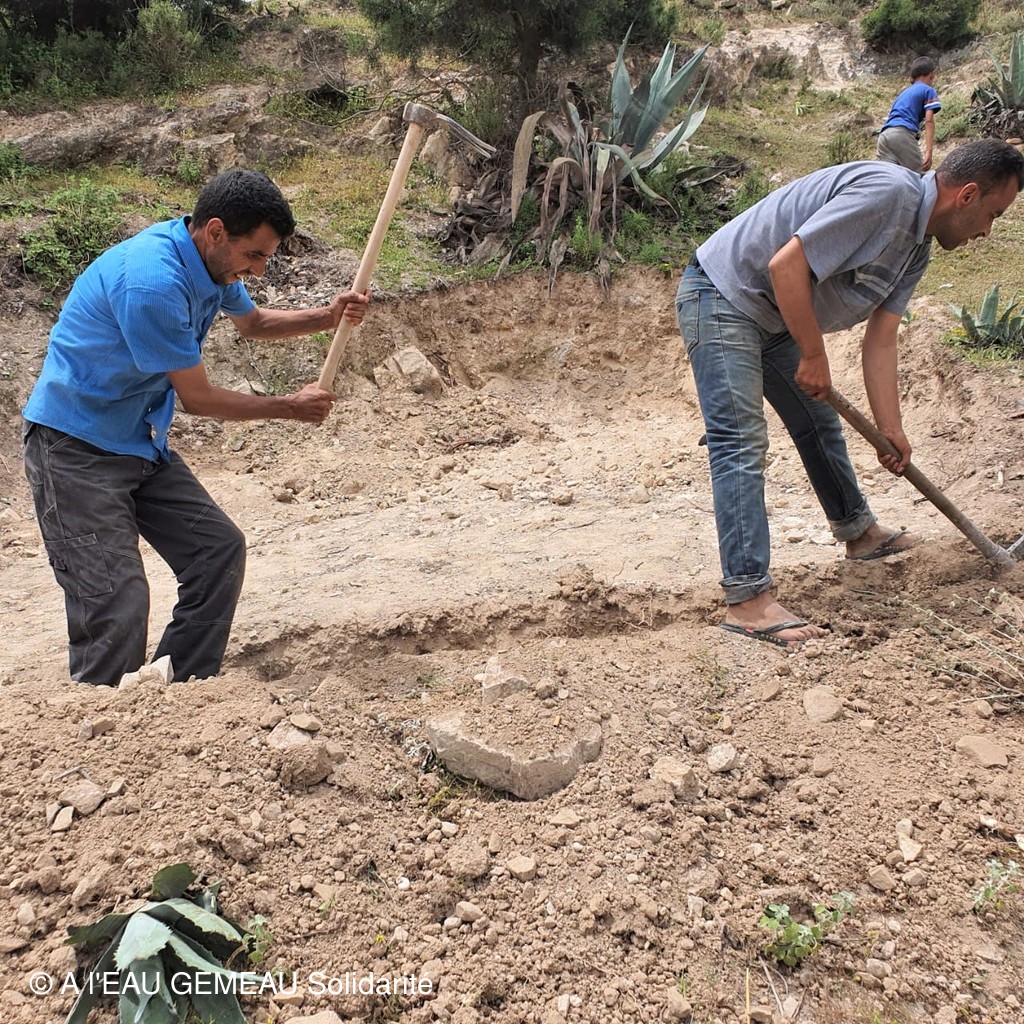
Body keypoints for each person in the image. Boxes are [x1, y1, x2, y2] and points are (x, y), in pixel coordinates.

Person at [22, 169, 371, 686]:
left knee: (217, 551)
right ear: (215, 231)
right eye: (254, 255)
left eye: (266, 257)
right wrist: (289, 406)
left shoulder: (210, 266)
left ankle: (182, 690)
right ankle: (105, 716)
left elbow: (254, 324)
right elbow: (199, 398)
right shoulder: (153, 283)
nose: (258, 269)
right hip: (73, 451)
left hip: (138, 442)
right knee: (117, 601)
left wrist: (328, 315)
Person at [675, 139, 1024, 647]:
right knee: (740, 441)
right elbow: (786, 266)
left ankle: (861, 535)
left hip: (772, 316)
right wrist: (813, 355)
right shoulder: (889, 195)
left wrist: (891, 429)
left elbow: (881, 338)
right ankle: (747, 600)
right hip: (723, 297)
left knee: (817, 423)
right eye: (993, 215)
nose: (987, 232)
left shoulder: (916, 247)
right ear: (967, 195)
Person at [876, 56, 942, 173]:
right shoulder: (928, 90)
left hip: (884, 136)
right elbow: (929, 121)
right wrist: (929, 151)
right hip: (902, 135)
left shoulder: (903, 94)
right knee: (918, 177)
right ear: (931, 75)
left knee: (890, 178)